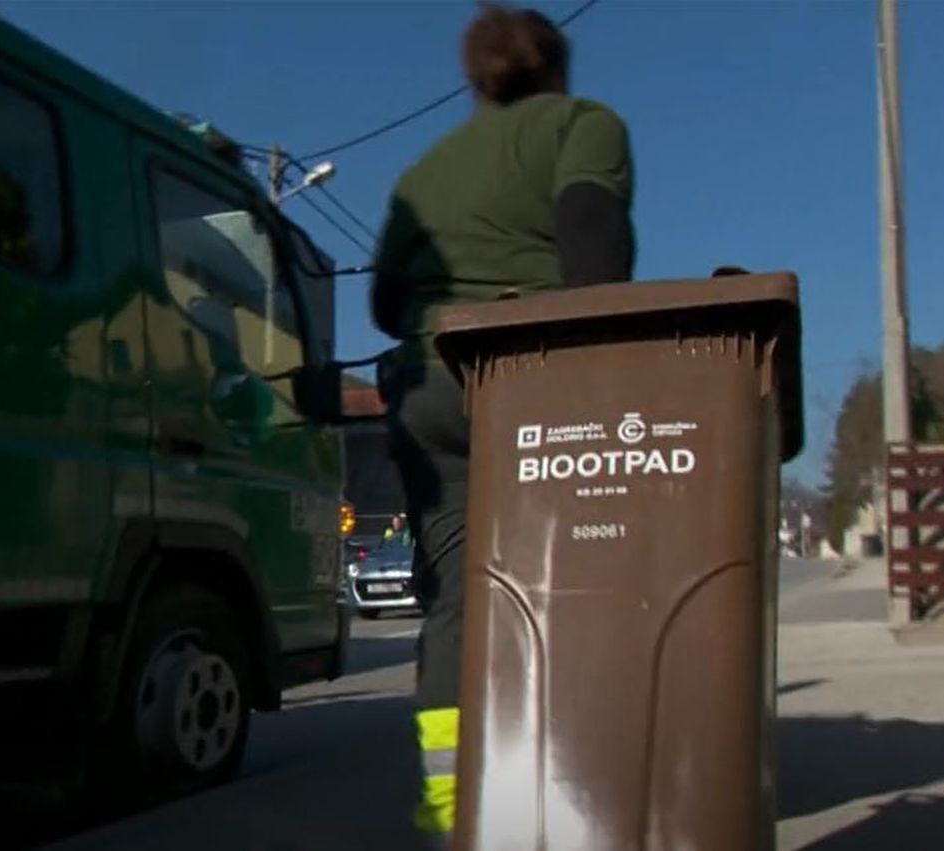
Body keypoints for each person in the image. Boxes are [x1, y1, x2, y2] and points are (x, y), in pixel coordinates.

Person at [368, 3, 636, 844]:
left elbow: (383, 304)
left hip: (429, 389)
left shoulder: (422, 170)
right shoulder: (582, 125)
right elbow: (594, 253)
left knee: (458, 595)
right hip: (536, 378)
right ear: (554, 67)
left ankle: (456, 806)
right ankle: (576, 787)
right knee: (579, 577)